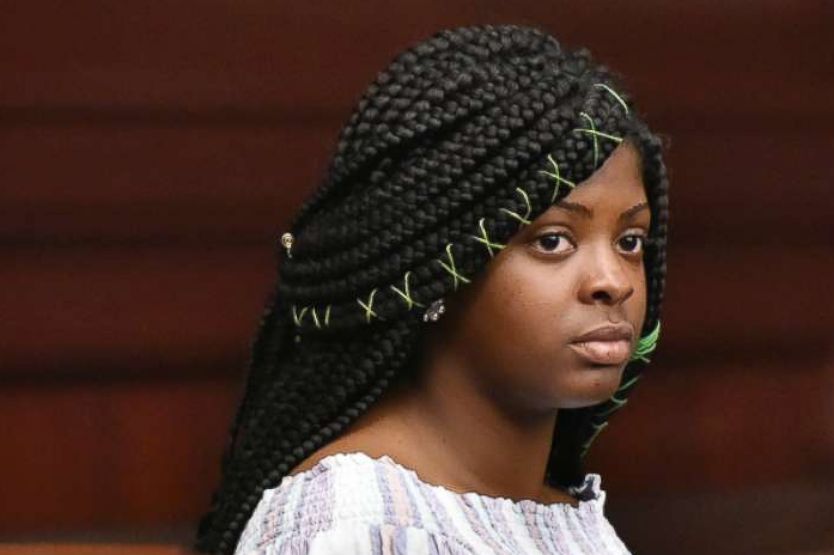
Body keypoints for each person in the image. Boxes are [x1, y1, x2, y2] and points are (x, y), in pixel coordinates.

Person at [194, 23, 670, 555]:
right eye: (553, 241)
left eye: (630, 240)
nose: (613, 281)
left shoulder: (572, 522)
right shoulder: (361, 525)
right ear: (441, 267)